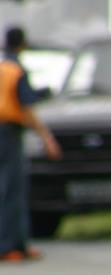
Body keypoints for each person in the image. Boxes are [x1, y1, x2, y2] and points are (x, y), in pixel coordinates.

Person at [0, 27, 60, 261]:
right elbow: (27, 107)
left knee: (6, 188)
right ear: (22, 44)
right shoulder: (17, 70)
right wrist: (47, 137)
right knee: (14, 190)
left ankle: (17, 244)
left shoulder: (3, 68)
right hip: (9, 132)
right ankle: (11, 246)